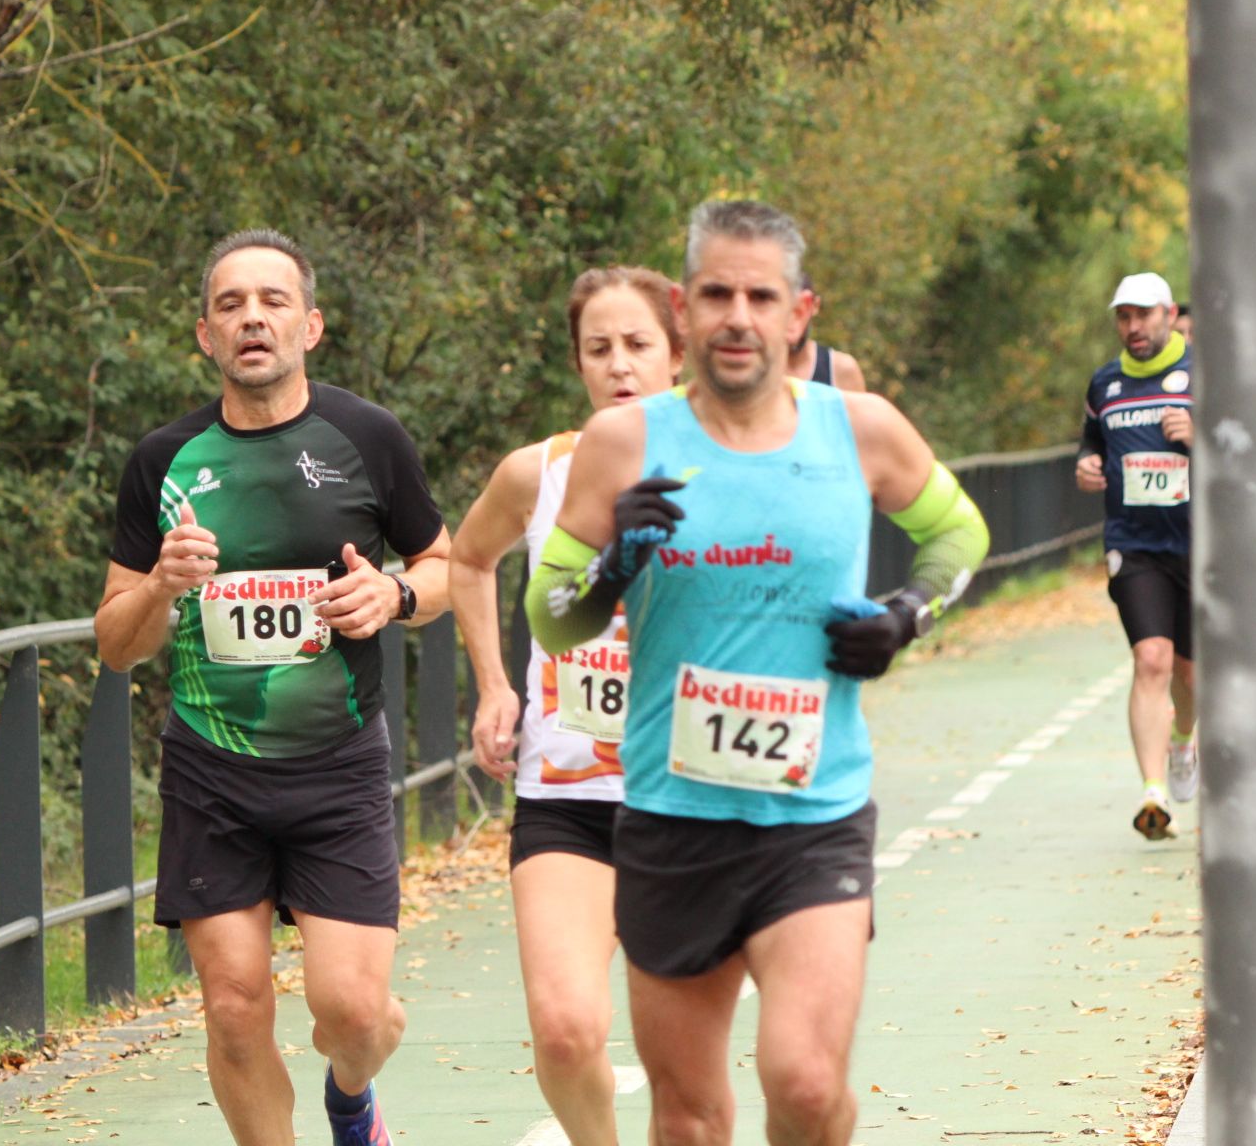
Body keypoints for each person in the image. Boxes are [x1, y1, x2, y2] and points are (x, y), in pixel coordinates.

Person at [524, 201, 989, 1145]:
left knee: (808, 1085)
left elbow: (959, 533)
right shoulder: (624, 446)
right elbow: (549, 617)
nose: (738, 315)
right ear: (683, 311)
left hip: (812, 819)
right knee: (690, 1119)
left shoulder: (859, 430)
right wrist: (614, 564)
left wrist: (907, 614)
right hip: (671, 819)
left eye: (761, 295)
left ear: (798, 313)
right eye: (717, 293)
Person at [94, 229, 451, 1146]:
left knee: (355, 1017)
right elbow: (113, 644)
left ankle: (351, 1098)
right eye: (230, 304)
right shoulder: (162, 462)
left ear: (311, 325)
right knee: (235, 1007)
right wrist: (163, 587)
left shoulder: (368, 437)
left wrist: (396, 592)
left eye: (273, 301)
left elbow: (447, 566)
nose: (253, 316)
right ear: (206, 337)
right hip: (213, 770)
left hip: (337, 764)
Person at [448, 267, 684, 1146]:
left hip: (694, 801)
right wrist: (496, 684)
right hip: (567, 800)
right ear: (578, 361)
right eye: (599, 349)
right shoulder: (536, 474)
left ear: (677, 352)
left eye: (638, 345)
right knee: (565, 1030)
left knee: (682, 1060)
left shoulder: (733, 469)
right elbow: (468, 562)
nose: (619, 365)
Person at [1075, 271, 1196, 841]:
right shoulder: (1104, 385)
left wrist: (1199, 437)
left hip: (1201, 544)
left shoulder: (1205, 374)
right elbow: (1091, 443)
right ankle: (1152, 793)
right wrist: (1086, 465)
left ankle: (1182, 741)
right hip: (1134, 543)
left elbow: (1252, 452)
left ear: (1169, 314)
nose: (1133, 327)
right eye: (1123, 317)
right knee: (1151, 657)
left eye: (1143, 315)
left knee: (1191, 675)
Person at [784, 273, 868, 392]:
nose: (793, 321)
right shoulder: (759, 371)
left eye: (798, 311)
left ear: (814, 305)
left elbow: (859, 410)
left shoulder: (840, 370)